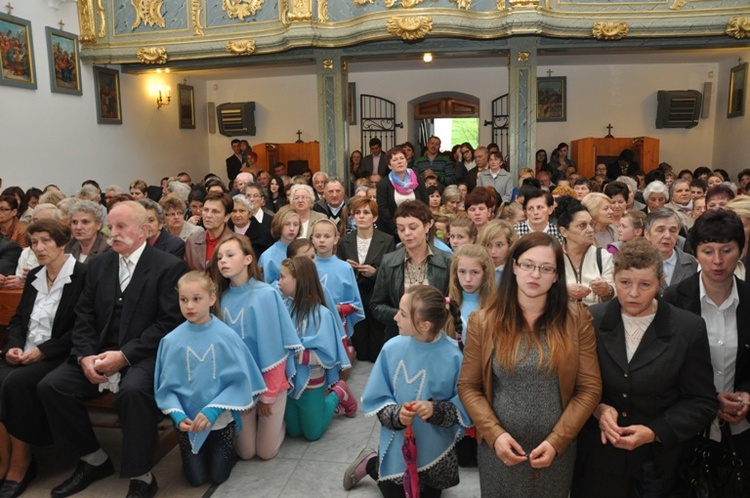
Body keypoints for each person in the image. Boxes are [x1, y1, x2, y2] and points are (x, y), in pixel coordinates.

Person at [37, 201, 187, 498]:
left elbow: (169, 322)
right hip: (98, 351)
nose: (113, 233)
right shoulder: (99, 264)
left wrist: (124, 356)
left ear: (144, 230)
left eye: (121, 227)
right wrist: (84, 356)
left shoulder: (168, 266)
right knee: (52, 386)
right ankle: (93, 459)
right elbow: (84, 315)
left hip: (143, 355)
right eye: (111, 227)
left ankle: (142, 476)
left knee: (133, 391)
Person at [457, 232, 602, 497]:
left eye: (546, 268)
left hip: (556, 450)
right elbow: (468, 386)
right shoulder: (484, 321)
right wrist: (494, 434)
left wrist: (557, 441)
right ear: (514, 267)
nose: (535, 275)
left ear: (557, 275)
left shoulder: (577, 320)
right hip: (499, 450)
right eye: (528, 265)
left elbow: (589, 388)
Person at [573, 238, 717, 497]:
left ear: (661, 280)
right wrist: (597, 407)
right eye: (625, 283)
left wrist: (654, 432)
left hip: (661, 467)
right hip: (599, 462)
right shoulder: (591, 321)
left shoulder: (687, 328)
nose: (633, 293)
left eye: (645, 285)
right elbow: (574, 384)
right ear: (613, 277)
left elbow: (701, 401)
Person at [346, 285, 471, 496]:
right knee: (395, 492)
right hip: (398, 444)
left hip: (435, 450)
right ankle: (371, 463)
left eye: (403, 314)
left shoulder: (454, 357)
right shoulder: (391, 348)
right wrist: (397, 415)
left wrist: (434, 409)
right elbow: (377, 398)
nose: (395, 318)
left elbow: (463, 409)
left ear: (424, 325)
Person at [154, 271, 266, 487]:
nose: (189, 306)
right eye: (183, 300)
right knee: (195, 479)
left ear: (212, 299)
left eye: (197, 299)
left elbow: (239, 381)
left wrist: (212, 410)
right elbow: (166, 388)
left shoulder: (227, 336)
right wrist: (178, 416)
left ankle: (222, 448)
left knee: (218, 476)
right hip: (189, 421)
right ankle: (194, 450)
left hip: (220, 419)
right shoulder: (170, 341)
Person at [0, 220, 87, 498]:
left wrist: (44, 350)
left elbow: (81, 328)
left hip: (58, 355)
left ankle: (21, 462)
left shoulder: (82, 275)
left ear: (62, 242)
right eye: (34, 242)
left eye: (45, 241)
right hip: (25, 351)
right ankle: (3, 459)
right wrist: (13, 346)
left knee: (15, 384)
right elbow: (18, 320)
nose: (38, 248)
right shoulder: (36, 274)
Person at [662, 210, 750, 468]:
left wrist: (746, 395)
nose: (718, 261)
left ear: (741, 252)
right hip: (688, 429)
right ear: (695, 254)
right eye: (708, 251)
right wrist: (710, 400)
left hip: (742, 430)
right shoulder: (674, 298)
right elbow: (667, 367)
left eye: (727, 250)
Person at [210, 234, 302, 460]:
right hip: (240, 385)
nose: (223, 261)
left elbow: (276, 352)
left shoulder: (266, 294)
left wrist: (268, 397)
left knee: (265, 452)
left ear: (248, 259)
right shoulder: (218, 298)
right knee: (246, 453)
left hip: (271, 382)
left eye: (230, 255)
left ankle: (280, 420)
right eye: (220, 257)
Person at [278, 257, 354, 439]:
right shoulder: (283, 307)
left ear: (299, 280)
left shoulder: (322, 314)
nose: (278, 282)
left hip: (312, 381)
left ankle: (338, 392)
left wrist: (297, 355)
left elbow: (328, 354)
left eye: (282, 277)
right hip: (291, 381)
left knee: (313, 434)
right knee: (293, 431)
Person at [371, 201, 452, 340]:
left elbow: (454, 301)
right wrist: (403, 316)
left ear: (427, 225)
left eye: (413, 227)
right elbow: (376, 305)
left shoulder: (447, 261)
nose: (406, 233)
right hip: (398, 335)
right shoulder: (389, 261)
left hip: (436, 335)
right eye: (401, 229)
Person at [337, 197, 396, 362]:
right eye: (357, 213)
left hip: (377, 295)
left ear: (375, 217)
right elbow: (338, 270)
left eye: (366, 213)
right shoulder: (344, 241)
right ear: (352, 217)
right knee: (361, 354)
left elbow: (391, 272)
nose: (361, 216)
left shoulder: (387, 240)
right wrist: (347, 269)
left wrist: (375, 272)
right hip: (355, 298)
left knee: (376, 353)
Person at [311, 219, 364, 342]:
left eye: (327, 236)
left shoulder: (345, 268)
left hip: (337, 323)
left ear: (336, 239)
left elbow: (355, 304)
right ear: (312, 239)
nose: (322, 240)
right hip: (310, 323)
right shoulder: (306, 265)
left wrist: (338, 308)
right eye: (318, 236)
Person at [555, 196, 616, 306]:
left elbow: (614, 296)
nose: (590, 230)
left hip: (595, 319)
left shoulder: (603, 256)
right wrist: (564, 291)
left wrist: (607, 290)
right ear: (564, 231)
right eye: (582, 225)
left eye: (591, 224)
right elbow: (540, 292)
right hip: (560, 318)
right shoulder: (552, 257)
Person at [376, 146, 428, 238]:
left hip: (417, 228)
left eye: (402, 158)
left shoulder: (418, 180)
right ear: (389, 166)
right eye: (395, 160)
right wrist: (399, 228)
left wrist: (417, 226)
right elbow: (383, 211)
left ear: (406, 161)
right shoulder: (383, 184)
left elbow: (425, 204)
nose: (399, 162)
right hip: (393, 231)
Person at [643, 208, 697, 292]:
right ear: (647, 234)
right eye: (660, 230)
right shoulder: (635, 263)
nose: (667, 236)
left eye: (673, 230)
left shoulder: (691, 262)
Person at [184, 193, 235, 271]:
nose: (208, 215)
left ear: (226, 217)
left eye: (215, 211)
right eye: (206, 210)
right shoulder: (192, 241)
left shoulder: (237, 242)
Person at [258, 205, 300, 284]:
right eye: (287, 224)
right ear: (279, 225)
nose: (292, 228)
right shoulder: (268, 256)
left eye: (295, 224)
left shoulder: (304, 250)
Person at [477, 219, 517, 285]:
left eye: (499, 245)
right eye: (488, 245)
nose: (493, 251)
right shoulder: (478, 268)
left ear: (510, 245)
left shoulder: (515, 271)